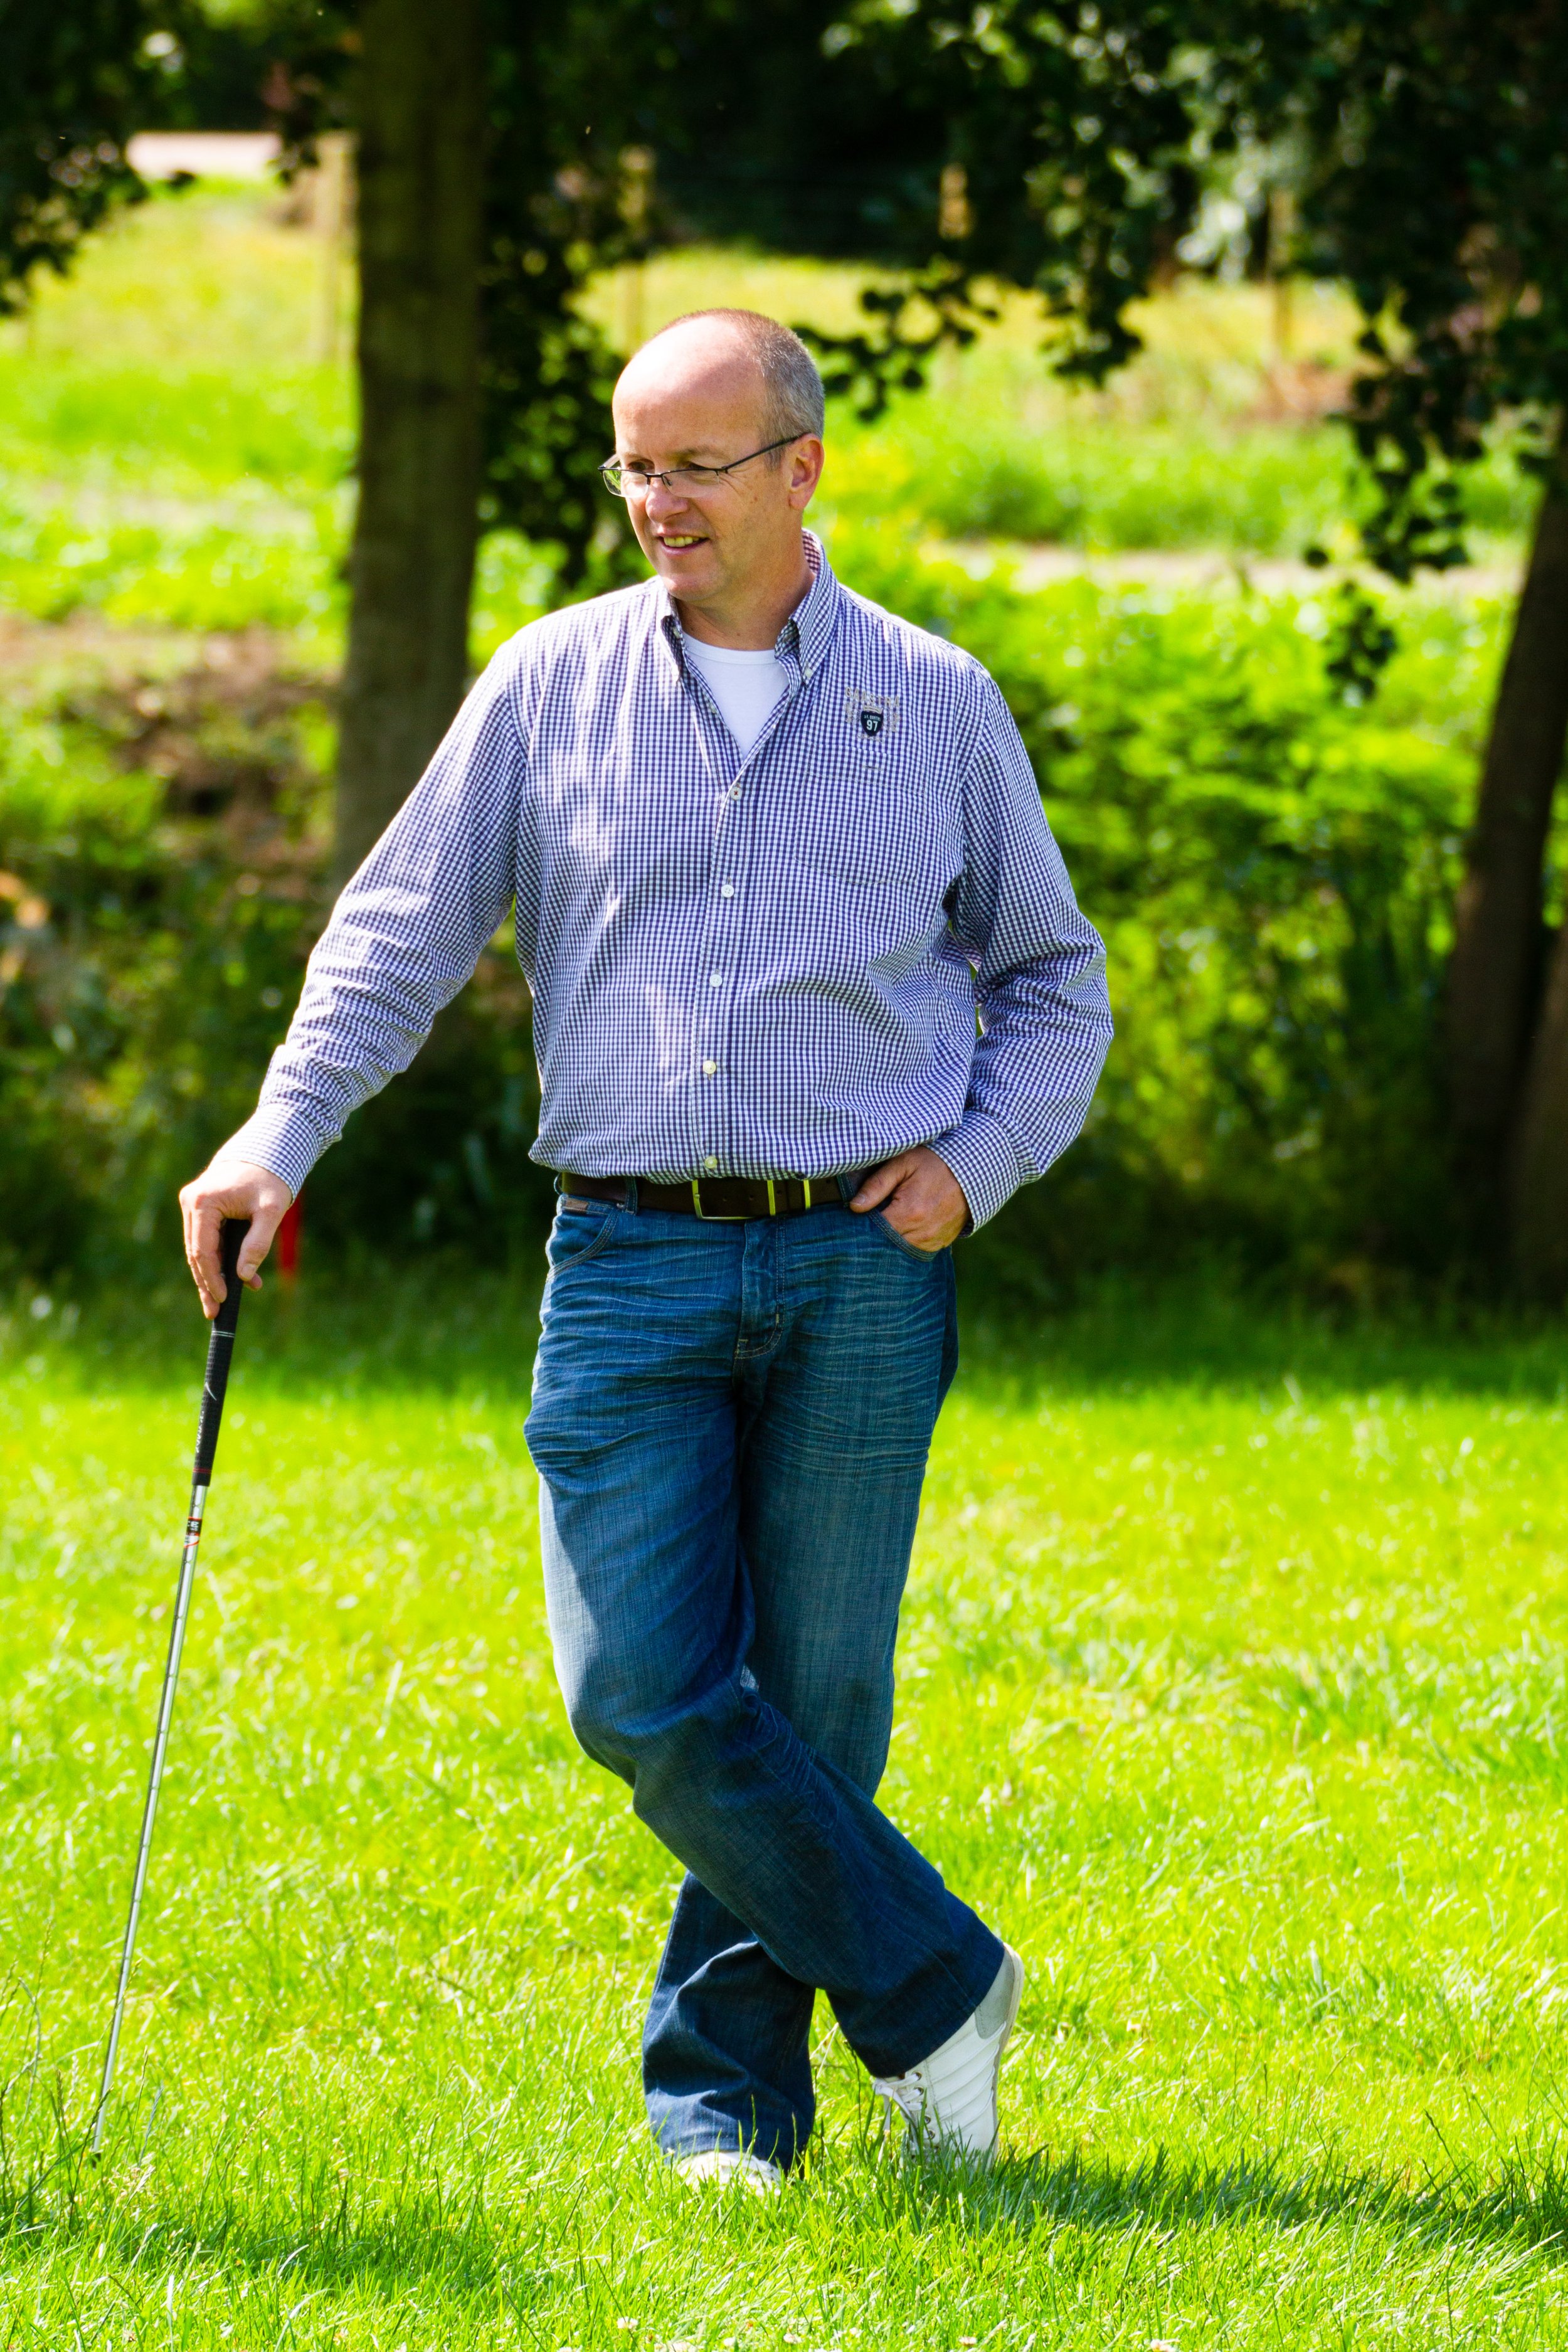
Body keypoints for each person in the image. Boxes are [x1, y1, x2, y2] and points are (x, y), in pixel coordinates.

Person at [180, 308, 1111, 2193]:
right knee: (641, 1692)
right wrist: (279, 1134)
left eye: (694, 463)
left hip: (864, 1259)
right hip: (626, 1257)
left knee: (819, 1704)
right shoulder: (548, 683)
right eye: (631, 463)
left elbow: (1052, 981)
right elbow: (398, 934)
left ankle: (726, 2110)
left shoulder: (932, 699)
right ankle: (940, 1984)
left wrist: (977, 1163)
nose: (655, 502)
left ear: (800, 469)